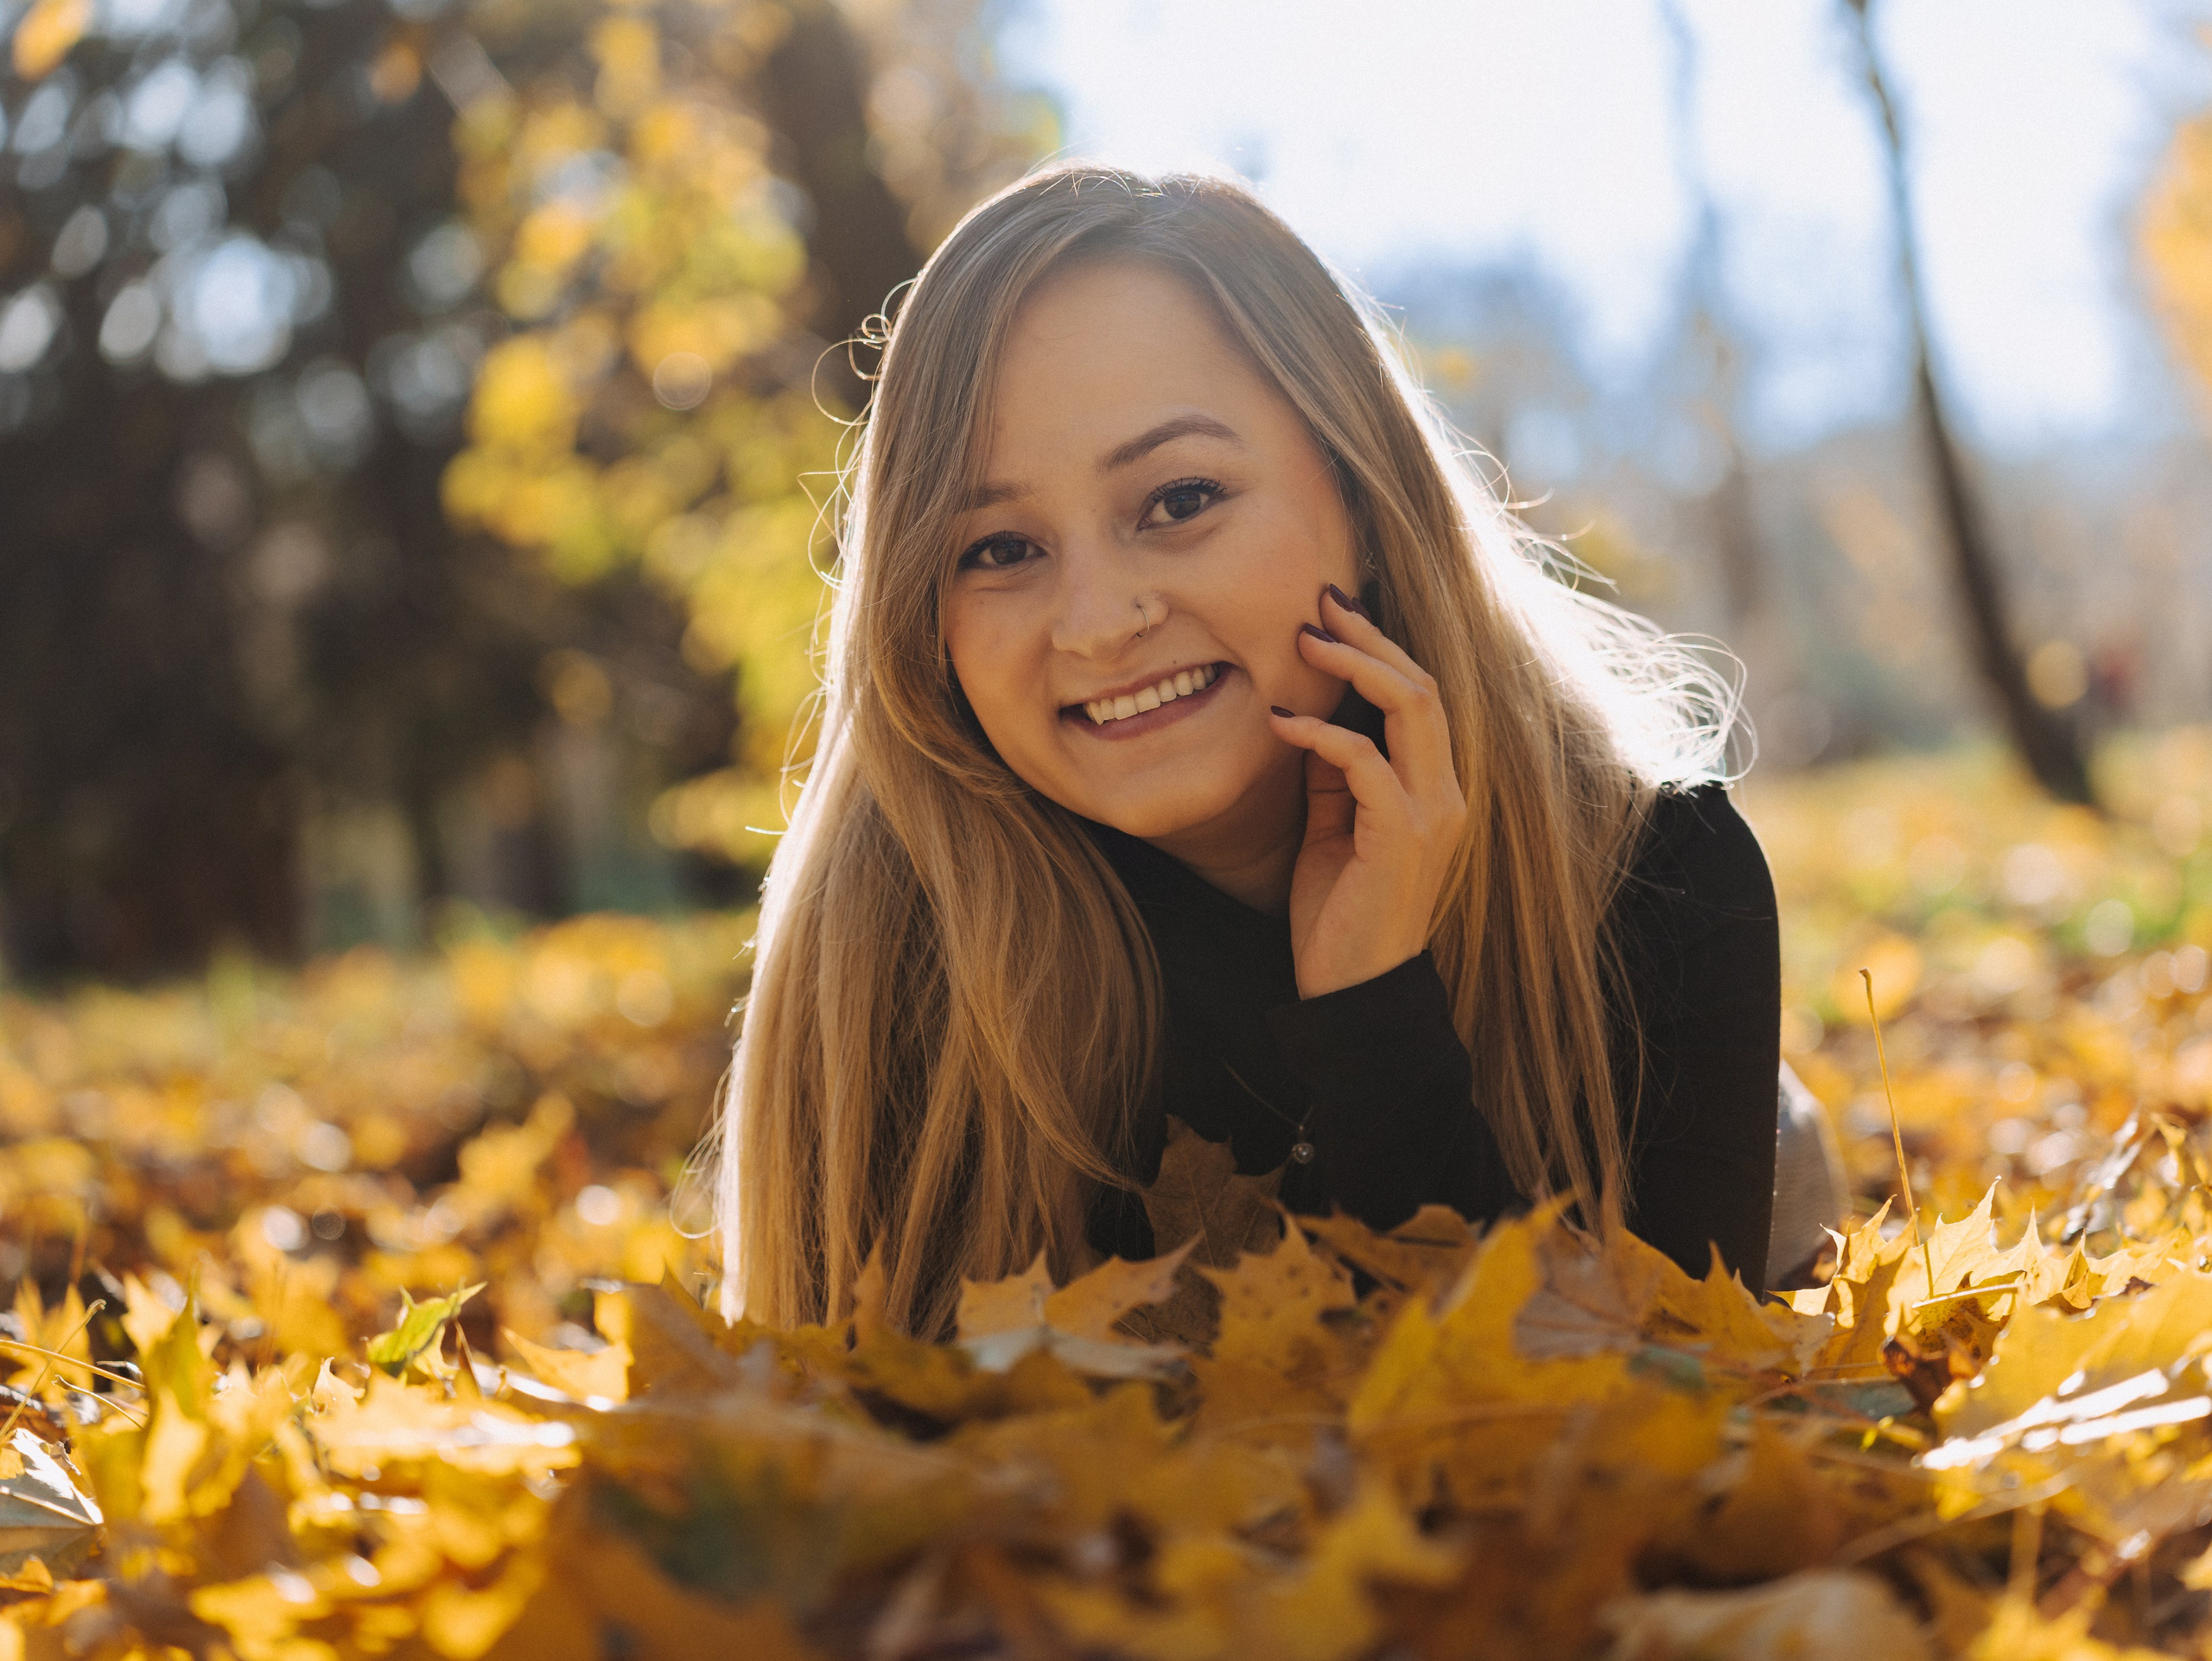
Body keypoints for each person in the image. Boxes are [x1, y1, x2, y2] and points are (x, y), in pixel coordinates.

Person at [715, 164, 1817, 1340]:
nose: (1096, 621)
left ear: (1364, 495)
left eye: (1180, 498)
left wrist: (1374, 1016)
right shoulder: (888, 941)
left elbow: (1637, 1459)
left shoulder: (1655, 879)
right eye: (996, 548)